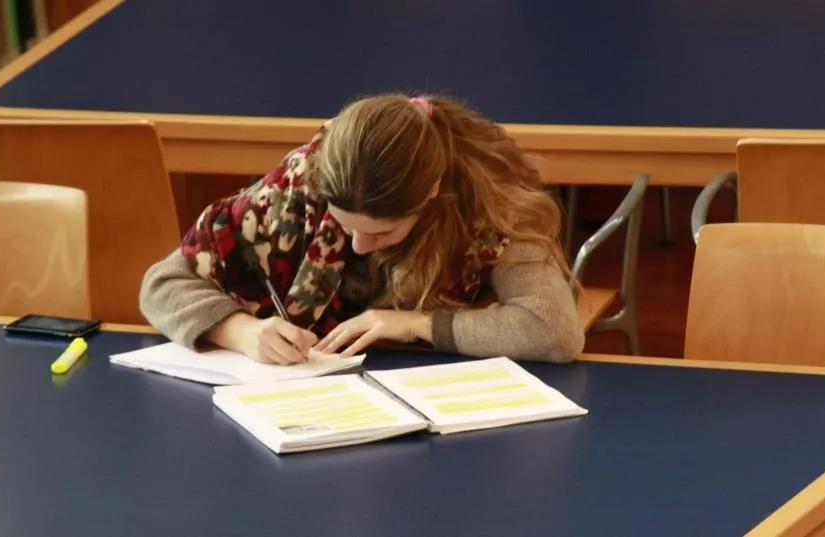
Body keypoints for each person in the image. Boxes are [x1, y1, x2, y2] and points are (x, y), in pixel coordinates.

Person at [139, 93, 585, 365]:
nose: (358, 244)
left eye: (383, 233)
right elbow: (162, 285)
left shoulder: (491, 205)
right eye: (344, 224)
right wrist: (241, 331)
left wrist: (416, 324)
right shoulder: (301, 183)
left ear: (429, 195)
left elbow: (554, 330)